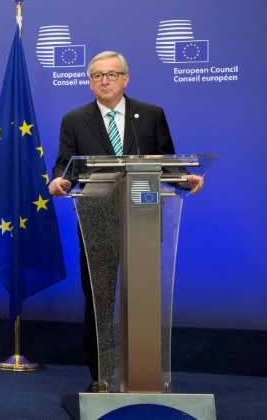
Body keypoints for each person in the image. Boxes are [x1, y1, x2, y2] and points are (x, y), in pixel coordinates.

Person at [48, 50, 202, 392]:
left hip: (143, 218)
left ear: (126, 79)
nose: (104, 80)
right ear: (89, 83)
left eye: (112, 74)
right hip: (95, 220)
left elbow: (166, 160)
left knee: (143, 299)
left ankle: (144, 376)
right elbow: (64, 165)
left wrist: (184, 178)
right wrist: (59, 181)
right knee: (99, 300)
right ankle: (102, 376)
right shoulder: (74, 119)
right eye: (97, 75)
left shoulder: (149, 115)